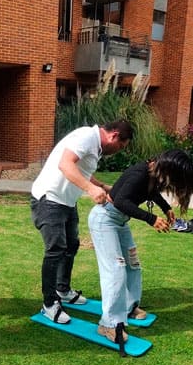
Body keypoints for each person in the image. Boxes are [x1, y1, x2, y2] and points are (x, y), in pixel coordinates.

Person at [88, 149, 193, 344]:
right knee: (115, 269)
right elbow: (121, 201)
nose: (172, 182)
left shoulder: (152, 173)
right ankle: (109, 324)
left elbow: (151, 192)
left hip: (120, 221)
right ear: (168, 167)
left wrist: (166, 208)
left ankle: (129, 307)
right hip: (105, 220)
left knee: (133, 264)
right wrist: (151, 218)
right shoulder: (139, 173)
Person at [31, 120, 134, 324]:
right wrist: (90, 189)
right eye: (121, 146)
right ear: (114, 136)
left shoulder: (94, 145)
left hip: (67, 202)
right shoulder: (87, 136)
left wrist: (102, 186)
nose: (119, 151)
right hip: (49, 199)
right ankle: (49, 303)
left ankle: (63, 290)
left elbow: (83, 169)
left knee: (71, 246)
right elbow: (65, 164)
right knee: (55, 250)